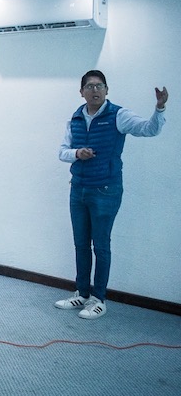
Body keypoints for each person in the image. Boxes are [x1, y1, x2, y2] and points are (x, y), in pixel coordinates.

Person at [54, 70, 168, 320]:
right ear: (81, 91)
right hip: (79, 188)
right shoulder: (75, 118)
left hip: (106, 189)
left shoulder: (119, 115)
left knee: (101, 245)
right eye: (90, 86)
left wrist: (159, 109)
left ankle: (99, 299)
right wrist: (76, 154)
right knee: (81, 244)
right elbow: (62, 151)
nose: (95, 90)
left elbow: (149, 130)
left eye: (100, 86)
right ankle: (82, 294)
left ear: (107, 90)